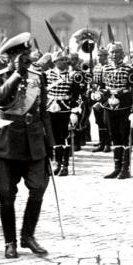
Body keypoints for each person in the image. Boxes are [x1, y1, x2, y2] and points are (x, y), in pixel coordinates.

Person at [0, 32, 55, 258]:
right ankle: (10, 242)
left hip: (34, 141)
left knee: (37, 189)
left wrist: (50, 144)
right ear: (8, 57)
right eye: (20, 55)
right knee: (6, 194)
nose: (25, 59)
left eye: (26, 54)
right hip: (5, 143)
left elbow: (43, 112)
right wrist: (16, 74)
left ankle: (28, 235)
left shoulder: (38, 77)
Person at [95, 41, 133, 179]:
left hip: (124, 106)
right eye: (112, 52)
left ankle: (126, 168)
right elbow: (100, 87)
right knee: (114, 136)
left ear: (122, 54)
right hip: (109, 106)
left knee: (125, 136)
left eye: (117, 52)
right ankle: (117, 167)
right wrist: (100, 95)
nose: (114, 55)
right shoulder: (104, 69)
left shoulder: (129, 70)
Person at [45, 48, 81, 177]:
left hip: (65, 109)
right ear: (55, 61)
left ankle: (64, 165)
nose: (64, 62)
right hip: (50, 108)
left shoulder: (73, 76)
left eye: (66, 60)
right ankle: (56, 163)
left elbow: (77, 96)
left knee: (64, 137)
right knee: (52, 137)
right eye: (61, 60)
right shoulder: (47, 74)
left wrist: (74, 111)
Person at [91, 48, 111, 153]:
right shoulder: (96, 67)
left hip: (107, 98)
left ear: (106, 56)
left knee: (106, 121)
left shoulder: (109, 67)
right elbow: (94, 82)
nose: (99, 57)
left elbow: (110, 84)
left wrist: (102, 93)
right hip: (98, 97)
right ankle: (102, 141)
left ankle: (108, 143)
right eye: (98, 55)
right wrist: (93, 90)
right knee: (99, 121)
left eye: (101, 55)